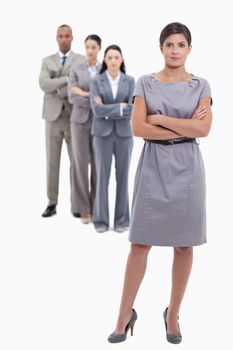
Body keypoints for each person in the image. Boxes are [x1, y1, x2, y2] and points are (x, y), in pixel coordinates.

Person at [108, 22, 212, 344]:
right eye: (170, 44)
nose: (176, 50)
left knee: (184, 245)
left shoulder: (201, 85)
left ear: (190, 49)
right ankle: (124, 315)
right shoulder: (145, 83)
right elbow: (139, 128)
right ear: (161, 48)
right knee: (140, 243)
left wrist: (162, 118)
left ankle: (173, 314)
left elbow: (204, 130)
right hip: (153, 165)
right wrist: (183, 125)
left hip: (188, 170)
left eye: (182, 45)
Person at [39, 25, 86, 217]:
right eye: (61, 36)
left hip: (74, 117)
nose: (64, 39)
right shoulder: (47, 61)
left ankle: (76, 203)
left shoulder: (81, 60)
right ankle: (52, 202)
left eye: (67, 36)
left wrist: (59, 84)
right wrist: (67, 79)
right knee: (52, 161)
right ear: (56, 38)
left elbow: (81, 84)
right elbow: (43, 84)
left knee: (76, 162)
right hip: (52, 117)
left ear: (72, 38)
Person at [90, 45, 135, 233]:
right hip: (101, 135)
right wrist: (120, 108)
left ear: (122, 59)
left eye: (117, 57)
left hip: (125, 135)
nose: (114, 60)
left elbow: (132, 109)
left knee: (123, 177)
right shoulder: (96, 81)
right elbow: (96, 110)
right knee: (102, 177)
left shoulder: (131, 81)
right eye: (110, 57)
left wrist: (109, 109)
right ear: (105, 60)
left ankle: (122, 220)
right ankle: (100, 221)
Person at [68, 35, 102, 224]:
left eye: (94, 47)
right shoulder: (76, 68)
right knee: (80, 164)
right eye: (87, 47)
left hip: (99, 123)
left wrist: (83, 93)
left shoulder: (104, 70)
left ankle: (96, 205)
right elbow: (72, 96)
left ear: (99, 49)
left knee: (98, 164)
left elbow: (107, 96)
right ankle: (82, 208)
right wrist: (93, 97)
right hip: (79, 122)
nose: (90, 50)